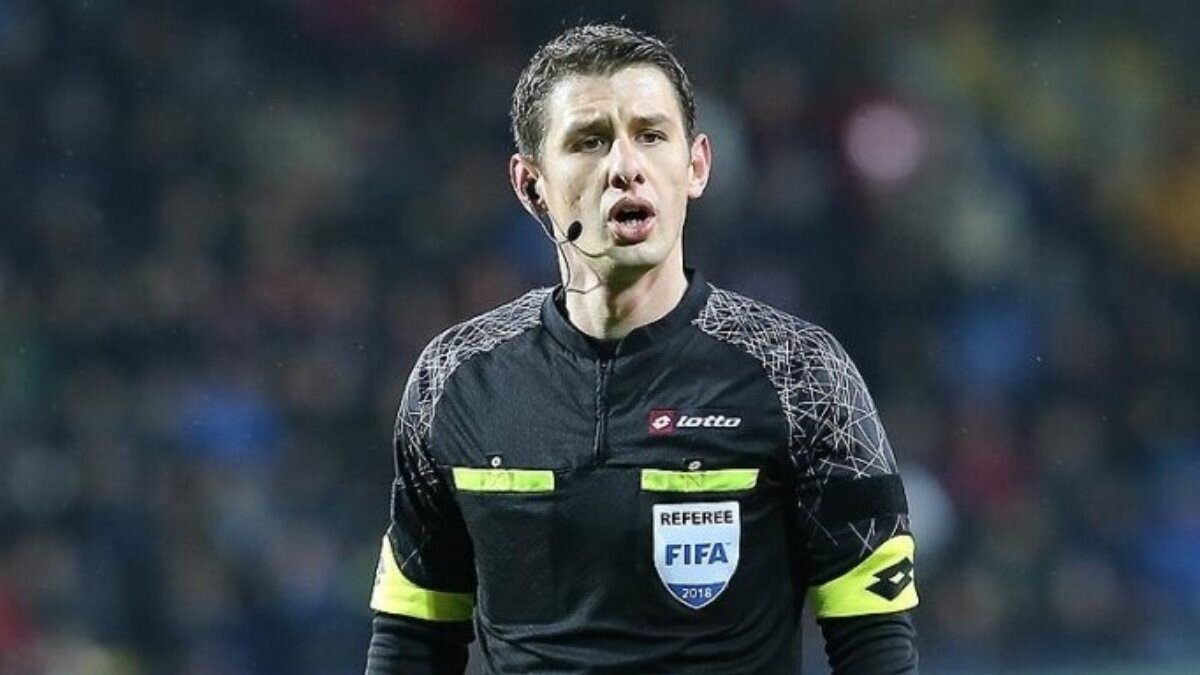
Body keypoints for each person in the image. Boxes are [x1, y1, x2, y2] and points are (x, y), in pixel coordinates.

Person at [365, 23, 918, 675]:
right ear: (531, 184)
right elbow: (412, 641)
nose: (625, 167)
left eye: (651, 135)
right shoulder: (454, 380)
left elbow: (875, 644)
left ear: (696, 166)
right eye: (589, 141)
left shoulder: (801, 375)